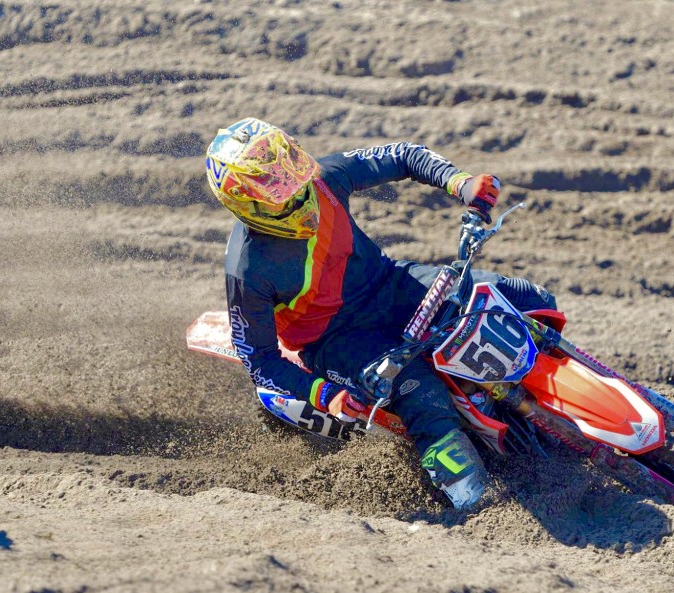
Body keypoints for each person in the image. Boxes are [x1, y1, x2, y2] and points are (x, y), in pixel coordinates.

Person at [205, 117, 556, 510]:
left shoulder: (323, 179)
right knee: (421, 395)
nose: (294, 187)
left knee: (525, 298)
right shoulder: (248, 268)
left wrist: (460, 182)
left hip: (390, 283)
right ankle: (478, 505)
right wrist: (323, 394)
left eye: (288, 168)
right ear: (247, 202)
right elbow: (259, 358)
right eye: (274, 185)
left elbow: (402, 155)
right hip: (337, 340)